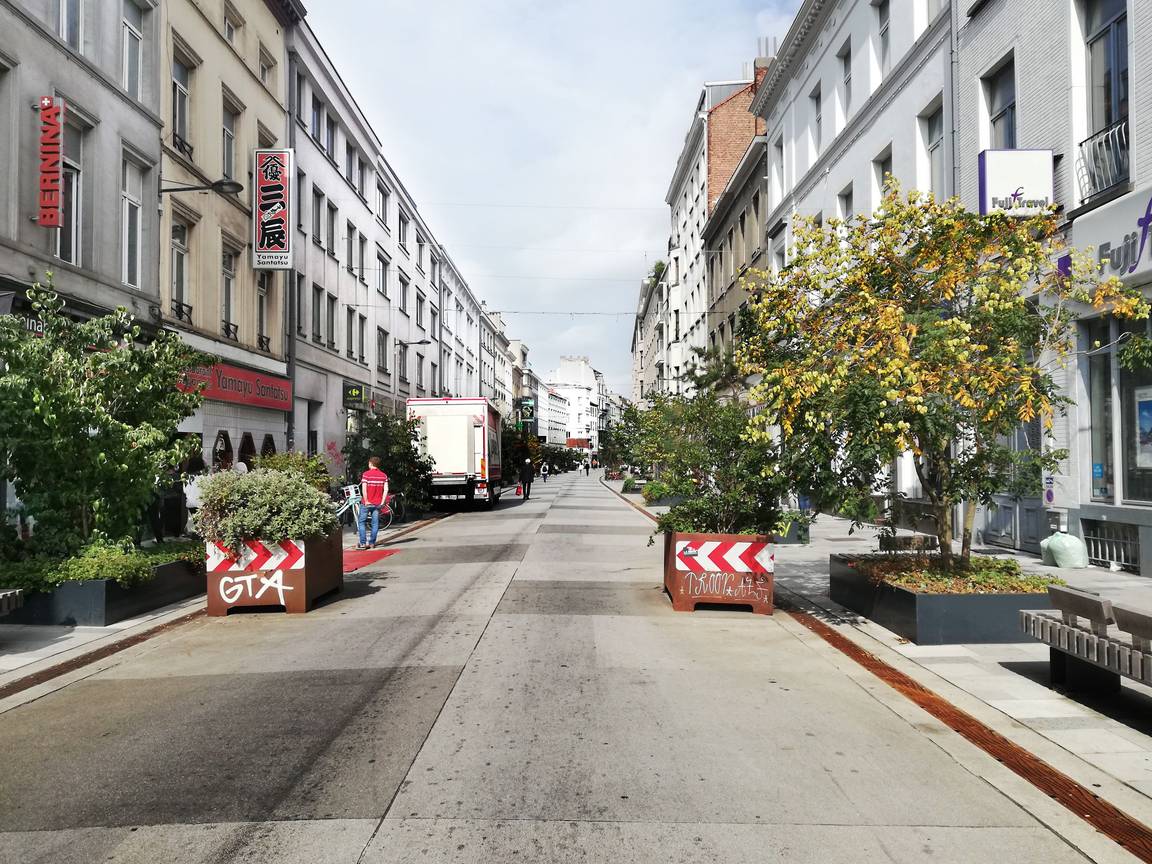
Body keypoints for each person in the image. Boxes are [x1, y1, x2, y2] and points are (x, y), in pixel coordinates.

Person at [357, 456, 389, 549]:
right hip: (378, 504)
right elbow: (386, 489)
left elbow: (364, 489)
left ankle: (363, 543)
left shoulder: (366, 474)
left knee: (361, 522)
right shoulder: (384, 475)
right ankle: (372, 543)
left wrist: (366, 500)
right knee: (375, 523)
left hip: (366, 503)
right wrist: (382, 502)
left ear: (371, 463)